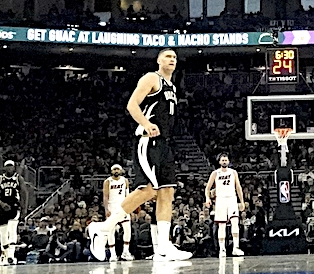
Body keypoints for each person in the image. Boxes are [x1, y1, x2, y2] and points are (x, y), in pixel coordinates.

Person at [88, 49, 192, 261]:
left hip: (164, 143)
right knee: (147, 189)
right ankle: (103, 228)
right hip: (147, 141)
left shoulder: (172, 86)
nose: (172, 59)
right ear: (158, 60)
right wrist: (146, 123)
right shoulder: (152, 78)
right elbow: (132, 104)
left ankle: (164, 246)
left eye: (174, 57)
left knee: (167, 192)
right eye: (167, 56)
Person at [205, 154, 245, 257]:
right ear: (219, 162)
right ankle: (222, 249)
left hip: (232, 198)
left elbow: (238, 187)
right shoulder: (215, 173)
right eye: (222, 160)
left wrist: (242, 201)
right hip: (220, 199)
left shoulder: (233, 172)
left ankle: (236, 248)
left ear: (228, 161)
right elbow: (207, 188)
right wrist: (208, 198)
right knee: (221, 225)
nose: (224, 162)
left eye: (225, 160)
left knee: (235, 222)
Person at [101, 164, 133, 261]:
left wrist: (130, 208)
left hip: (123, 207)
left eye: (118, 169)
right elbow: (105, 196)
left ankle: (125, 252)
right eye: (114, 169)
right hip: (112, 208)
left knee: (127, 229)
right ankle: (113, 254)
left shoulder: (125, 180)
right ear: (111, 171)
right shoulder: (107, 181)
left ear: (121, 171)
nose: (116, 171)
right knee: (111, 231)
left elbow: (128, 196)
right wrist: (106, 209)